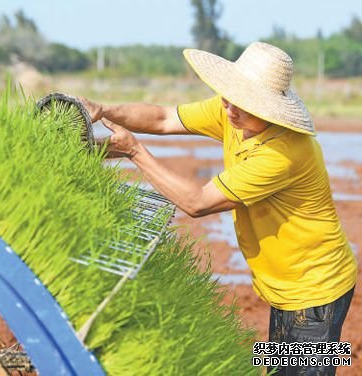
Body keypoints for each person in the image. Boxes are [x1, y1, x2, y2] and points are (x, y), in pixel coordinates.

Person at [80, 42, 357, 375]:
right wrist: (102, 109)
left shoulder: (283, 154)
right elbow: (163, 118)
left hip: (317, 289)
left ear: (269, 109)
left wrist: (134, 152)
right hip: (282, 284)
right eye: (227, 98)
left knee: (303, 370)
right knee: (280, 368)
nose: (228, 110)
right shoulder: (235, 113)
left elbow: (197, 203)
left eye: (241, 104)